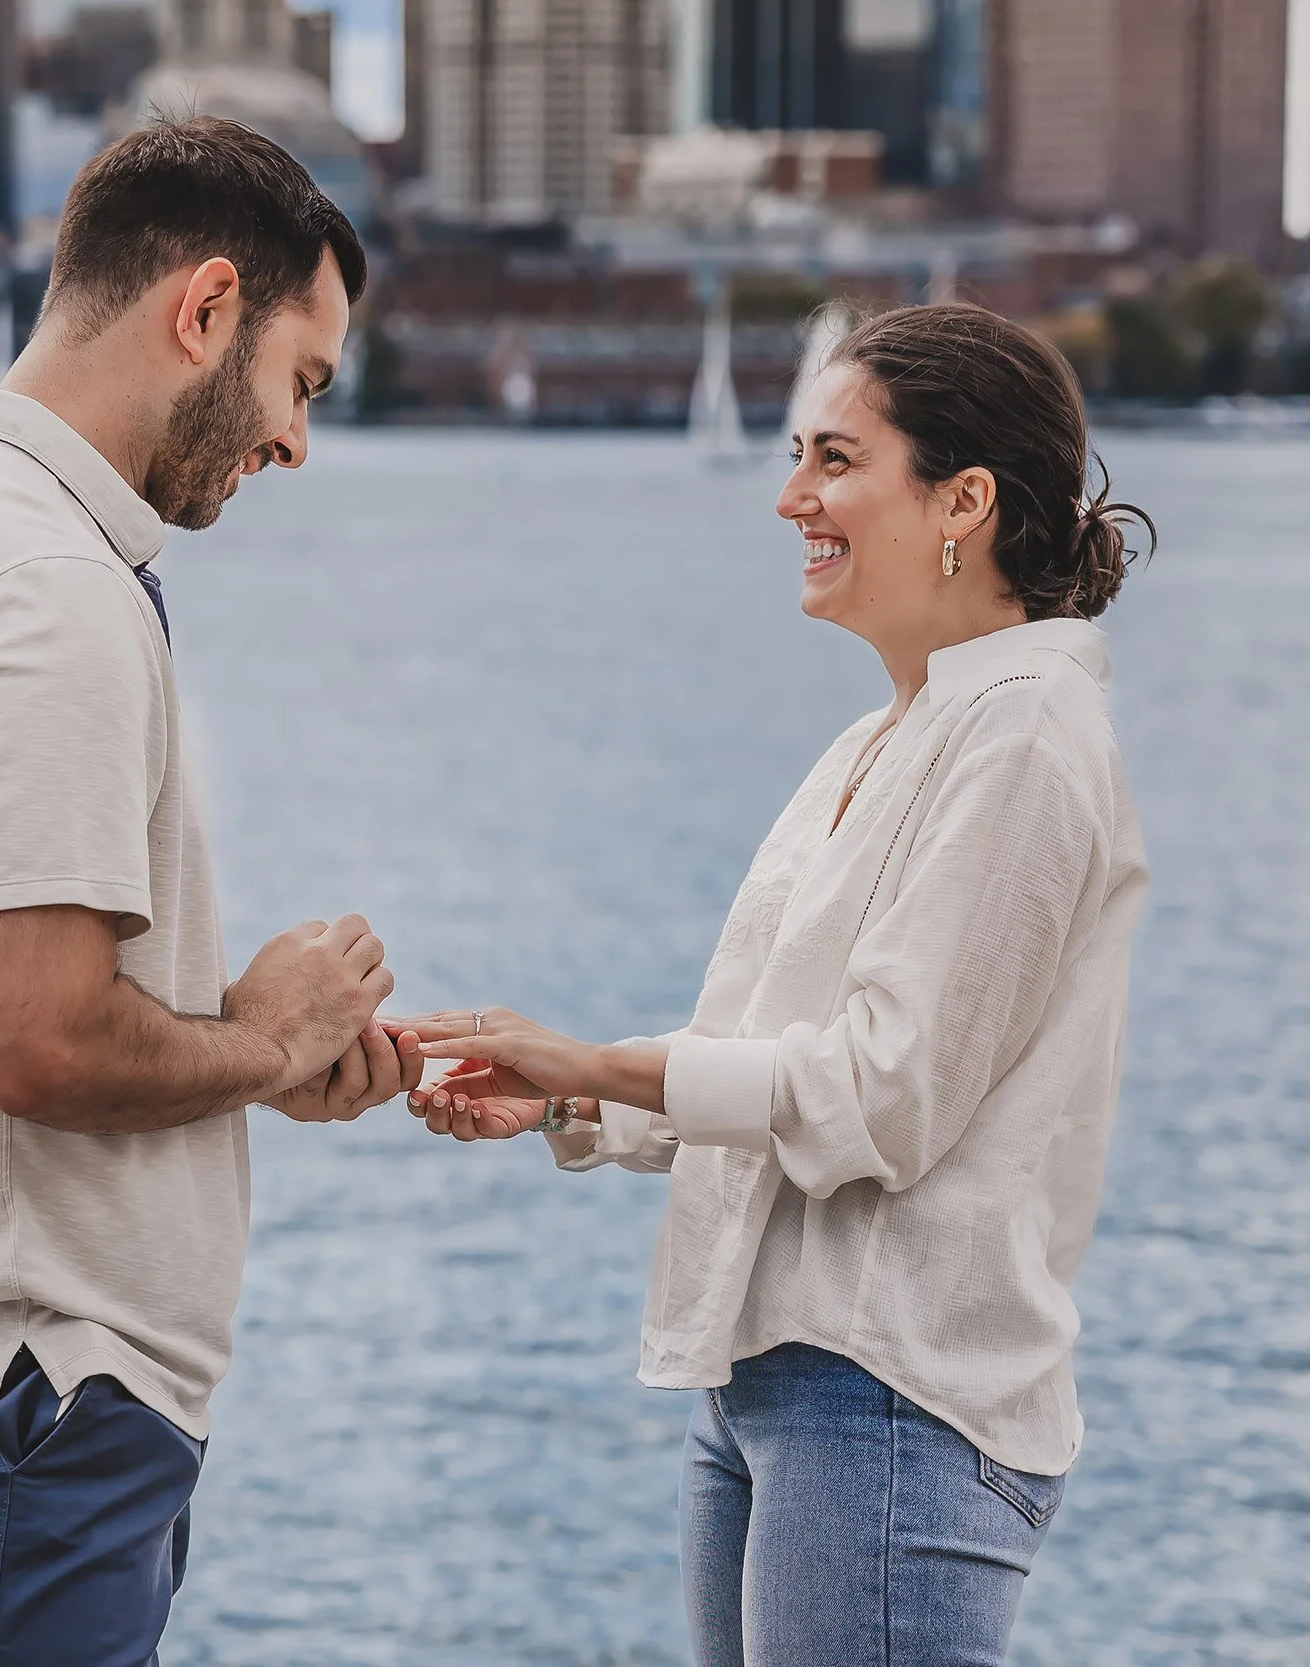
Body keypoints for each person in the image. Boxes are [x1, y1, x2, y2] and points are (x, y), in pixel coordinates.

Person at [0, 118, 423, 1667]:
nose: (296, 442)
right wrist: (267, 1037)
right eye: (302, 382)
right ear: (205, 309)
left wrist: (246, 1056)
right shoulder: (44, 591)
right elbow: (37, 1039)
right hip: (12, 1402)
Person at [404, 302, 1154, 1666]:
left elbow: (883, 1094)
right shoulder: (889, 734)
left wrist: (591, 1063)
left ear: (964, 501)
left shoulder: (1028, 734)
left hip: (894, 1402)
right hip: (775, 1385)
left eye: (835, 459)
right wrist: (572, 1105)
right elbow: (772, 1051)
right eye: (796, 456)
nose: (790, 496)